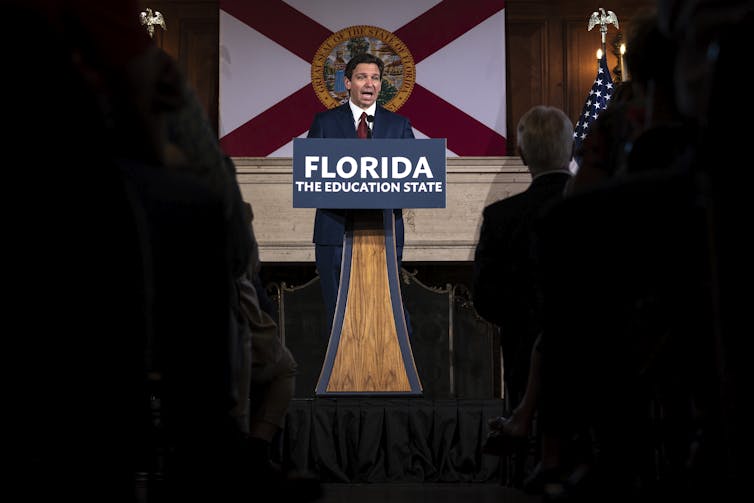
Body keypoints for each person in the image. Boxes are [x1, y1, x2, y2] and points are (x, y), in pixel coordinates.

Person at [472, 105, 574, 476]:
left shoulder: (502, 218)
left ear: (522, 154)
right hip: (597, 353)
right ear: (571, 149)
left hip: (520, 351)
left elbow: (484, 297)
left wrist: (525, 320)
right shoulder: (594, 208)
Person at [306, 52, 415, 334]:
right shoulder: (324, 123)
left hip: (385, 234)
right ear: (347, 83)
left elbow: (413, 182)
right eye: (362, 77)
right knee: (339, 322)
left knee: (388, 321)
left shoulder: (399, 126)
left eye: (376, 78)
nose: (370, 83)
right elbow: (310, 178)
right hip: (334, 233)